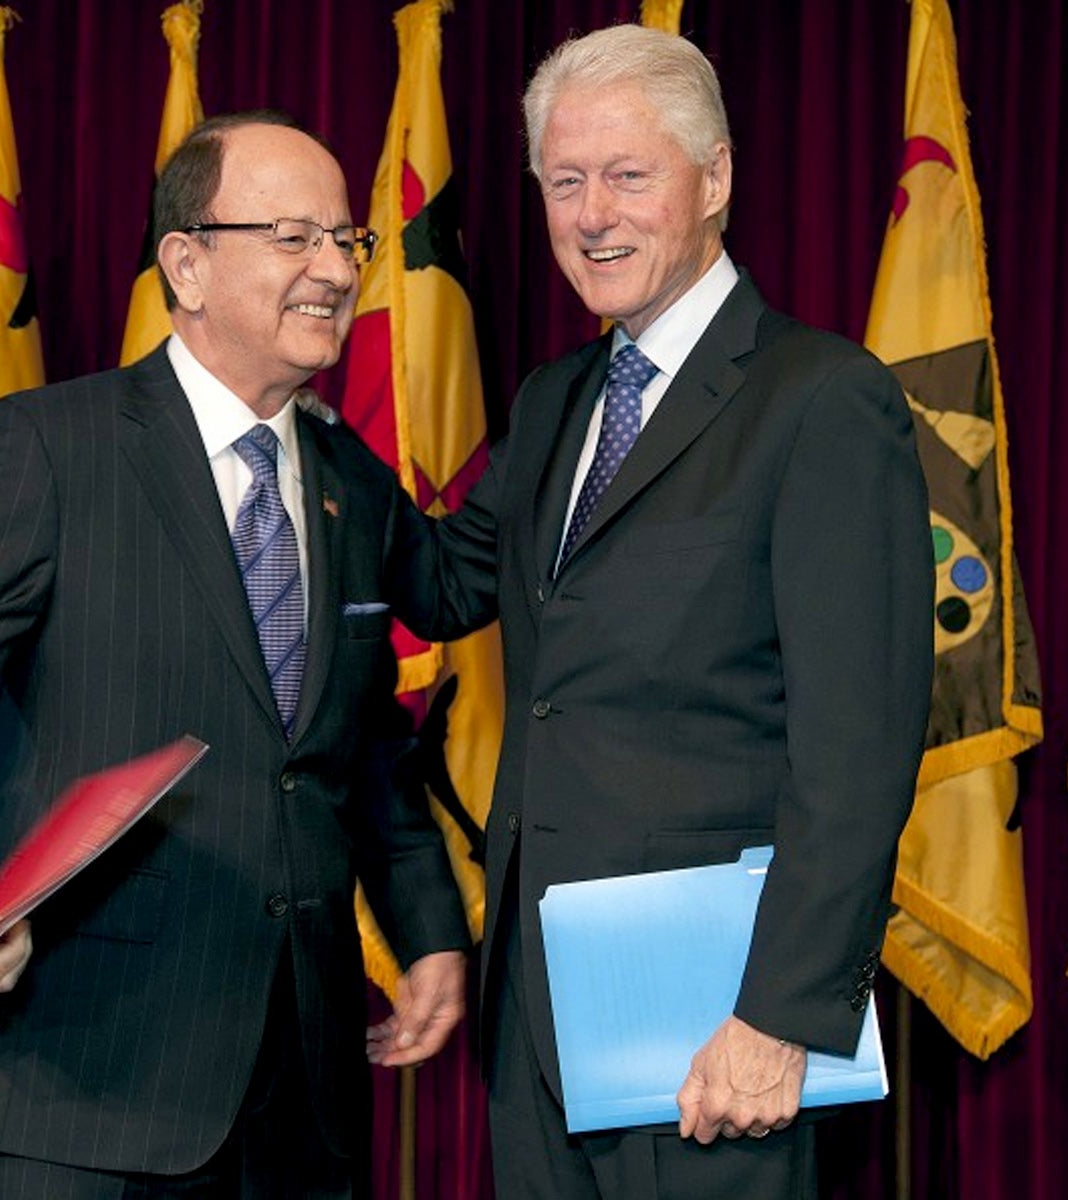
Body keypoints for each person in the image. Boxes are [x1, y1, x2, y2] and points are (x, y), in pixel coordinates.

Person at [0, 111, 470, 1198]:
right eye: (293, 238)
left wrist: (430, 936)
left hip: (302, 1099)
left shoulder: (352, 483)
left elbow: (361, 746)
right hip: (81, 1081)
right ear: (187, 262)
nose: (335, 270)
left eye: (348, 243)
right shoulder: (48, 449)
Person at [372, 25, 934, 1199]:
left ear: (715, 179)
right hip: (535, 1017)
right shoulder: (554, 398)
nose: (591, 215)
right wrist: (288, 428)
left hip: (714, 1031)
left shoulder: (821, 400)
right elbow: (438, 582)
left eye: (629, 176)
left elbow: (860, 748)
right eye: (564, 182)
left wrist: (781, 1014)